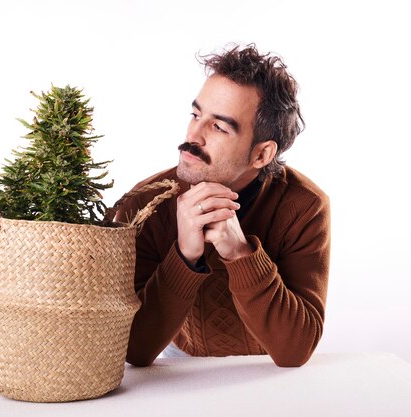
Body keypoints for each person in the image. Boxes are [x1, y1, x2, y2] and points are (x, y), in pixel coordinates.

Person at [117, 44, 330, 367]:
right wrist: (185, 257)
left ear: (261, 154)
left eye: (218, 127)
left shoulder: (304, 206)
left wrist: (240, 253)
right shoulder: (146, 203)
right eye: (196, 114)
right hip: (178, 367)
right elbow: (133, 351)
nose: (194, 135)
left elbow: (295, 351)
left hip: (267, 370)